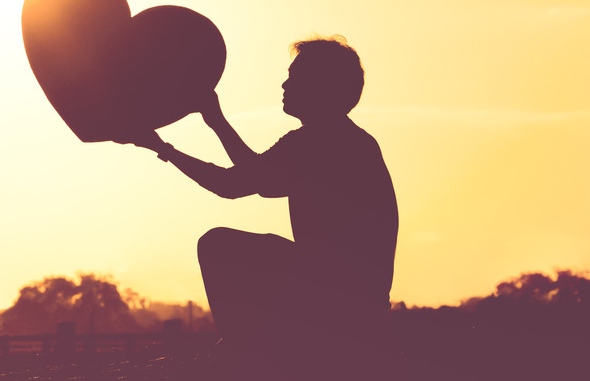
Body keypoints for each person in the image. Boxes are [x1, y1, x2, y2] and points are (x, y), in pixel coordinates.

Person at [123, 36, 398, 379]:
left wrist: (161, 147)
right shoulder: (343, 139)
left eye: (295, 77)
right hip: (356, 303)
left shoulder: (316, 141)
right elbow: (254, 178)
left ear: (321, 87)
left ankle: (244, 350)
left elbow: (233, 184)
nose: (284, 84)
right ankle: (253, 344)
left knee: (218, 245)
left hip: (337, 300)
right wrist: (215, 122)